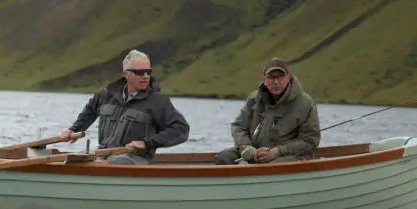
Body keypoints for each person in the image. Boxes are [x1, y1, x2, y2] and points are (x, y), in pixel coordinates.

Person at [58, 49, 190, 164]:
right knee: (78, 159)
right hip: (103, 156)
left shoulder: (158, 102)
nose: (145, 76)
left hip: (136, 160)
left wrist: (147, 143)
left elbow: (181, 129)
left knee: (115, 161)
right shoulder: (107, 94)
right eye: (140, 72)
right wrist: (73, 129)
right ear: (126, 74)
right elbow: (91, 110)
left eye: (148, 72)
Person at [215, 57, 320, 164]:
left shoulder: (305, 103)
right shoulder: (254, 99)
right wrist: (246, 147)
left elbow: (311, 140)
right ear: (264, 79)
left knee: (273, 165)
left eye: (280, 77)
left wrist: (277, 151)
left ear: (288, 78)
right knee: (223, 157)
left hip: (290, 156)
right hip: (255, 154)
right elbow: (238, 127)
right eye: (271, 77)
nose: (276, 82)